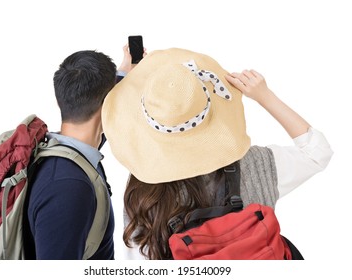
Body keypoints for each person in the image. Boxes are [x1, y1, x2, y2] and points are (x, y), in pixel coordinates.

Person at [101, 48, 334, 260]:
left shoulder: (144, 192)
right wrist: (264, 96)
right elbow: (317, 152)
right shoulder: (256, 165)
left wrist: (123, 74)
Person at [22, 45, 137, 260]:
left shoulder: (64, 151)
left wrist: (122, 76)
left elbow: (96, 125)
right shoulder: (69, 186)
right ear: (107, 105)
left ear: (60, 100)